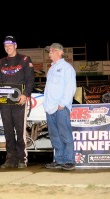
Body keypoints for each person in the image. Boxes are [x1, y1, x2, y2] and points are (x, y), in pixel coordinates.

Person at [0, 36, 35, 168]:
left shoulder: (25, 59)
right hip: (4, 102)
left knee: (19, 131)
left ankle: (22, 159)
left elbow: (30, 79)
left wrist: (26, 94)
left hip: (19, 102)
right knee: (8, 131)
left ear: (15, 45)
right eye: (5, 45)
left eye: (10, 45)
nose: (8, 47)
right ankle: (10, 159)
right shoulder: (1, 62)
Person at [43, 43, 77, 171]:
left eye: (51, 51)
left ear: (59, 52)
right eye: (50, 51)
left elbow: (70, 88)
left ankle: (69, 160)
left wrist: (62, 104)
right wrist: (46, 105)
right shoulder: (51, 68)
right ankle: (59, 160)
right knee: (55, 136)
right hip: (50, 108)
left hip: (60, 108)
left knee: (65, 135)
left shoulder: (67, 68)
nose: (49, 53)